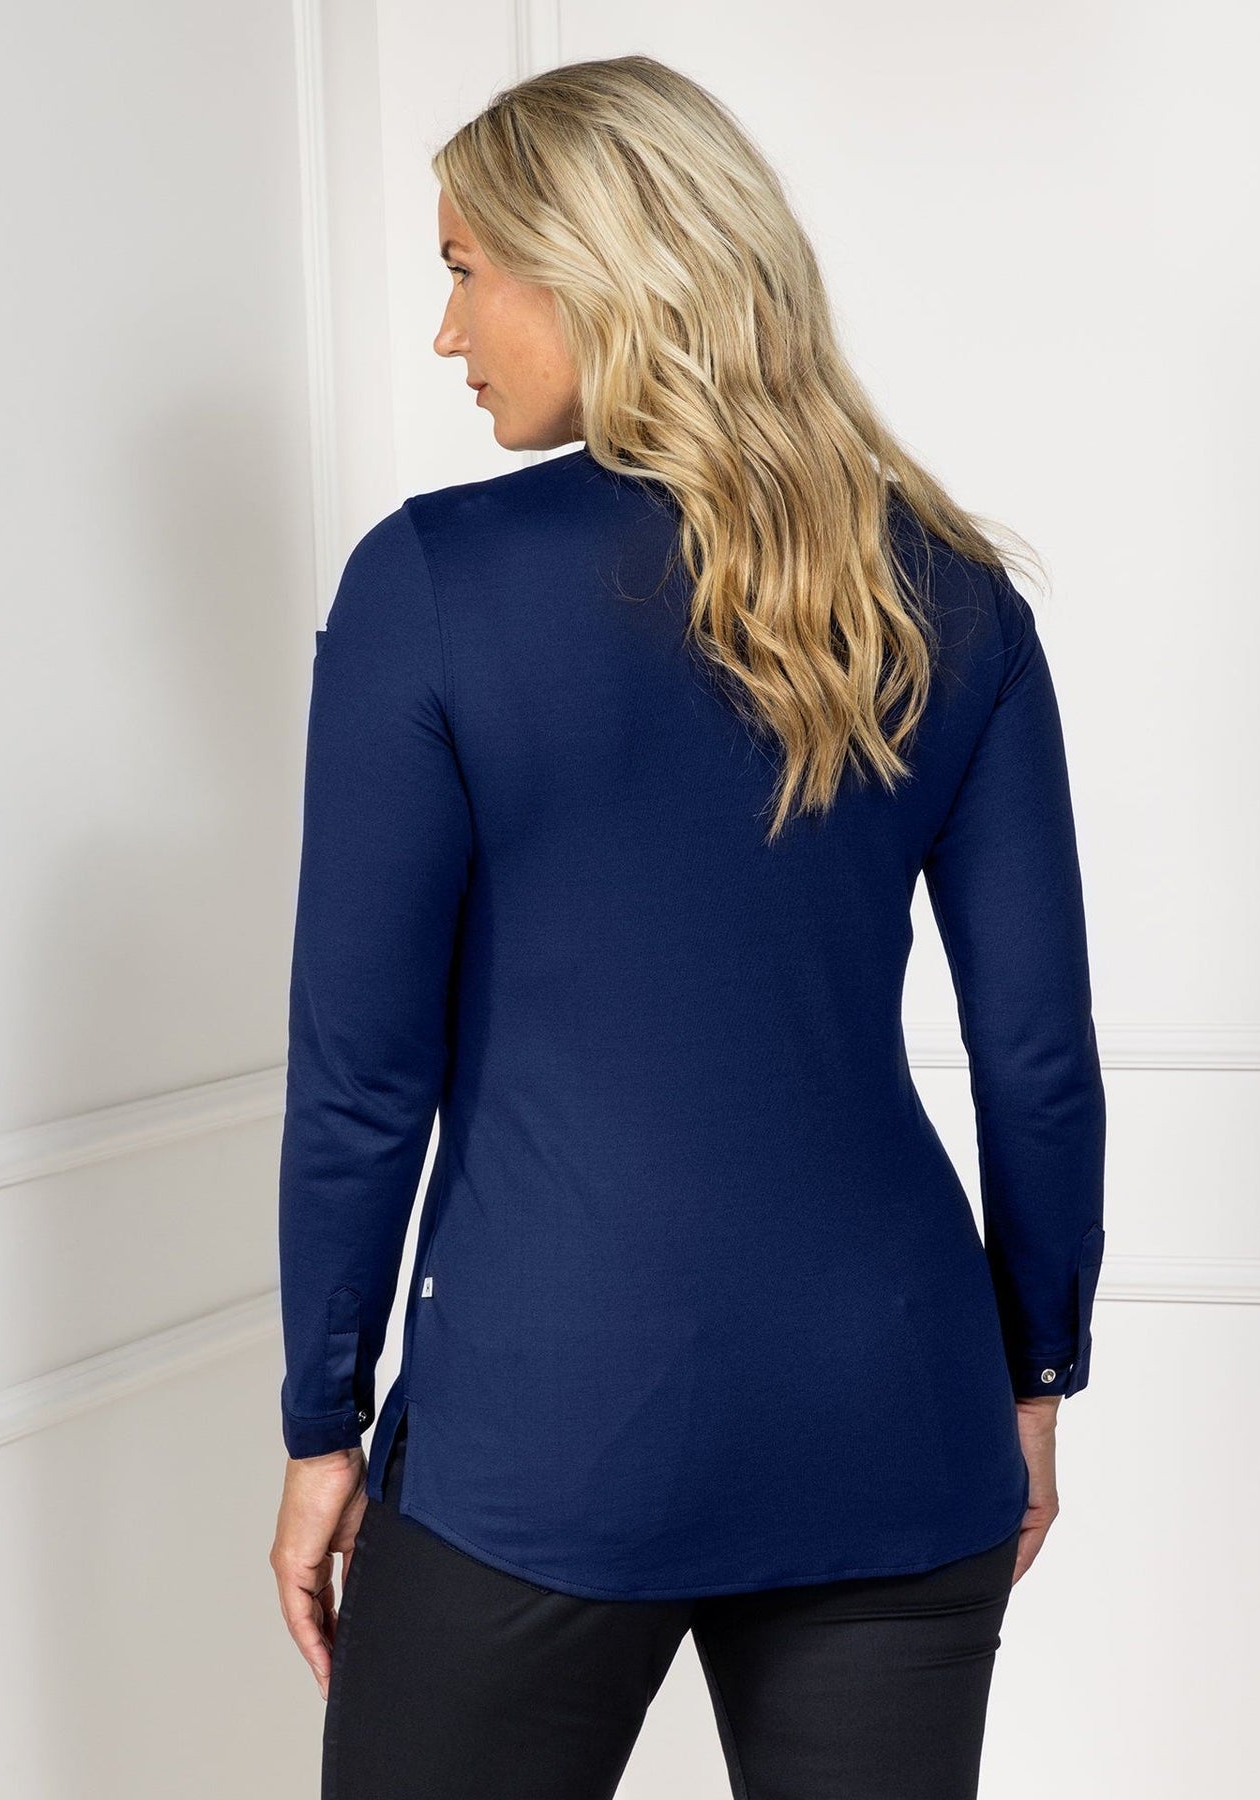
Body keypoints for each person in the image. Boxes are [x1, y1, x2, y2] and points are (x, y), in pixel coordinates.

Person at [269, 54, 1107, 1800]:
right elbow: (1037, 1059)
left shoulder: (430, 585)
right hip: (897, 1416)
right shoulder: (950, 594)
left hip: (545, 1425)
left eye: (463, 269)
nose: (447, 332)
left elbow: (363, 1077)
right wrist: (1032, 1379)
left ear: (590, 269)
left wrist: (319, 1425)